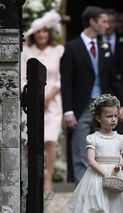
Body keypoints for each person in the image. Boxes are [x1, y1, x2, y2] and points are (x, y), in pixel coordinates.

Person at [60, 6, 123, 185]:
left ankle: (104, 187)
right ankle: (83, 196)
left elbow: (114, 79)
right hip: (80, 105)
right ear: (92, 22)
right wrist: (67, 110)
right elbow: (66, 81)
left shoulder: (104, 47)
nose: (108, 25)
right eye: (104, 21)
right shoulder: (72, 47)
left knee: (106, 147)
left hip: (104, 105)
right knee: (81, 149)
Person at [21, 10, 64, 199]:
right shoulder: (26, 50)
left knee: (50, 141)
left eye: (45, 32)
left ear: (50, 33)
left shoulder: (58, 50)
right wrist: (34, 97)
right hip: (31, 101)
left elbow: (61, 78)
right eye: (38, 32)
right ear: (33, 34)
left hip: (52, 102)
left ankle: (48, 183)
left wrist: (47, 97)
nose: (42, 35)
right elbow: (22, 76)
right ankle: (32, 180)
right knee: (30, 141)